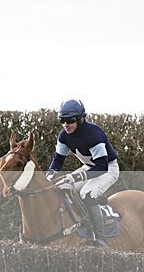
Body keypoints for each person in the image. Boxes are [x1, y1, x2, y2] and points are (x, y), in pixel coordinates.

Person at [44, 99, 119, 247]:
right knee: (61, 186)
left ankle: (100, 237)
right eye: (62, 120)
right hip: (89, 167)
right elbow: (58, 160)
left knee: (87, 194)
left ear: (80, 119)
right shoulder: (63, 136)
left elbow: (102, 166)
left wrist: (75, 176)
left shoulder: (93, 134)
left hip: (108, 169)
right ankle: (79, 223)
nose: (66, 124)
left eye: (70, 120)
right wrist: (50, 175)